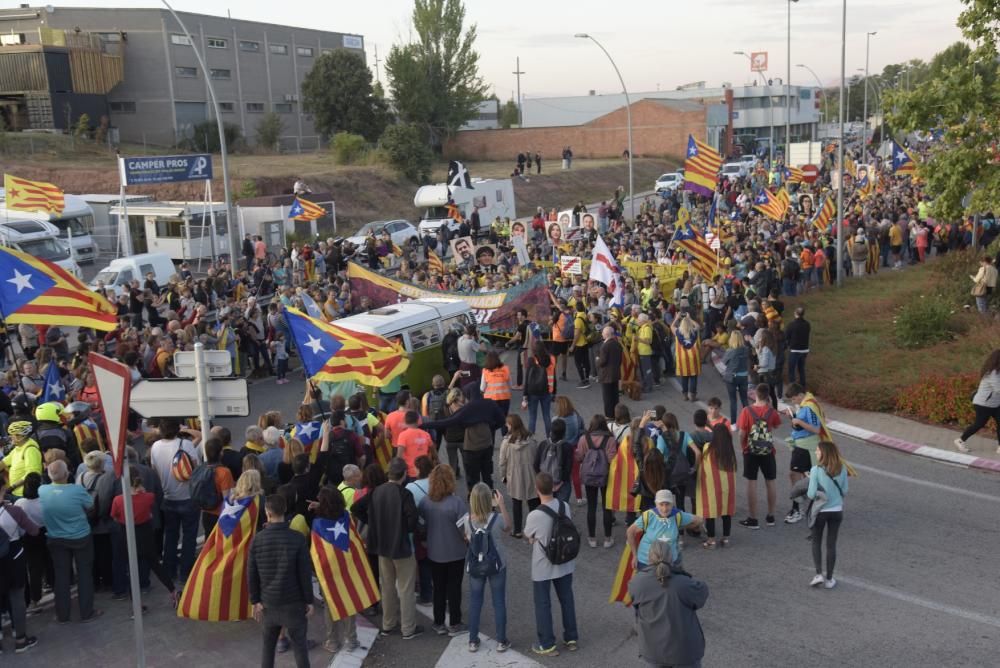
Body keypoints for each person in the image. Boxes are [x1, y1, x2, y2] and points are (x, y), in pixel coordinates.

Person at [248, 494, 314, 668]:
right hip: (294, 604)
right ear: (285, 510)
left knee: (267, 651)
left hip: (269, 604)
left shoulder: (257, 540)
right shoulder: (298, 539)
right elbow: (304, 574)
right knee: (301, 651)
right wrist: (309, 601)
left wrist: (255, 600)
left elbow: (252, 574)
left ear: (267, 513)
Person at [628, 540, 708, 668]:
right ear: (671, 557)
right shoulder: (683, 583)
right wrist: (682, 572)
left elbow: (636, 604)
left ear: (649, 557)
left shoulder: (637, 582)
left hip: (653, 648)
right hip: (684, 650)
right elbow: (701, 594)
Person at [523, 472, 578, 657]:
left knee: (543, 603)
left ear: (537, 489)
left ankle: (547, 644)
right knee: (567, 600)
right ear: (554, 487)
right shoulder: (564, 506)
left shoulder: (534, 515)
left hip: (543, 566)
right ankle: (571, 638)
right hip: (565, 562)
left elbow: (529, 536)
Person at [39, 459, 100, 623]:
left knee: (61, 576)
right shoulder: (77, 490)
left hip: (56, 538)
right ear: (67, 473)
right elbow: (90, 505)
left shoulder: (42, 490)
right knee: (85, 573)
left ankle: (62, 615)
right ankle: (87, 612)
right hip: (80, 537)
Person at [370, 458, 423, 640]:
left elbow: (359, 508)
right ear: (404, 474)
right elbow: (412, 519)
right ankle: (408, 628)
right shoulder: (404, 494)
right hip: (401, 545)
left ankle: (388, 623)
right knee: (406, 588)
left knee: (387, 587)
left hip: (382, 546)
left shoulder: (377, 491)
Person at [110, 467, 178, 608]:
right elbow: (150, 511)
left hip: (126, 535)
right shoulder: (148, 497)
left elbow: (114, 517)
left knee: (128, 569)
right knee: (155, 565)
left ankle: (137, 604)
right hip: (145, 535)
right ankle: (173, 591)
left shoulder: (118, 500)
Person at [149, 417, 202, 582]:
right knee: (189, 535)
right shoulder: (185, 444)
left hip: (167, 497)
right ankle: (185, 572)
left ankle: (168, 570)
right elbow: (196, 466)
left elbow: (155, 471)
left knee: (170, 536)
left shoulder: (155, 447)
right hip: (187, 496)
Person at [419, 464, 469, 637]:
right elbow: (465, 531)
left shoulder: (425, 502)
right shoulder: (457, 504)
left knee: (438, 588)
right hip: (456, 552)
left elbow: (422, 524)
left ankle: (438, 622)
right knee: (454, 588)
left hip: (434, 552)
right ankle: (455, 622)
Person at [463, 483, 512, 653]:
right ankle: (501, 640)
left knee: (476, 601)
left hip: (476, 565)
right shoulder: (496, 519)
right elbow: (508, 527)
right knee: (498, 601)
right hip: (497, 564)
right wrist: (502, 505)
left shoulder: (467, 521)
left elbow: (468, 539)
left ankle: (473, 640)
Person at [0, 471, 40, 653]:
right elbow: (34, 531)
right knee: (17, 598)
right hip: (13, 558)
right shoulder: (14, 511)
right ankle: (20, 639)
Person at [736, 384, 782, 529]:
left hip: (750, 451)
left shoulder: (746, 411)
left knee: (752, 482)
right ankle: (771, 516)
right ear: (768, 395)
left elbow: (742, 433)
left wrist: (742, 446)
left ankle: (753, 518)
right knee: (770, 481)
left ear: (755, 394)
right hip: (768, 451)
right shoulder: (772, 412)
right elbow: (776, 426)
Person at [626, 489, 703, 570]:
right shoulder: (648, 515)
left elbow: (699, 520)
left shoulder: (677, 515)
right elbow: (630, 532)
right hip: (646, 562)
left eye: (667, 504)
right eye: (661, 504)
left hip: (670, 561)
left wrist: (680, 526)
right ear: (656, 504)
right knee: (648, 582)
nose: (665, 508)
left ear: (672, 504)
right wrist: (634, 555)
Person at [807, 441, 849, 589]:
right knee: (831, 545)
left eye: (818, 451)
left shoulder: (816, 470)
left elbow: (811, 494)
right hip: (837, 511)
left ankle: (818, 574)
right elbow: (844, 491)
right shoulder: (842, 469)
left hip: (821, 512)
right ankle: (830, 579)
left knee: (816, 542)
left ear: (824, 453)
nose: (816, 453)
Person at [575, 414, 616, 548]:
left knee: (591, 506)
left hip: (589, 476)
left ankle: (592, 538)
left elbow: (579, 457)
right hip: (605, 476)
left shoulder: (584, 438)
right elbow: (612, 460)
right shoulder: (610, 439)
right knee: (606, 506)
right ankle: (607, 538)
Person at [784, 383, 822, 524]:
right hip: (801, 445)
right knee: (805, 475)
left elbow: (816, 429)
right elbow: (801, 425)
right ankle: (807, 505)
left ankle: (797, 509)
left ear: (800, 395)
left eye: (794, 399)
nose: (794, 402)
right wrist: (793, 417)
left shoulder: (810, 406)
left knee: (795, 475)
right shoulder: (805, 404)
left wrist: (798, 420)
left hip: (805, 446)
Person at [696, 425, 737, 549]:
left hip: (712, 486)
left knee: (710, 512)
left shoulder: (708, 448)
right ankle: (726, 539)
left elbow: (704, 467)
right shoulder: (730, 450)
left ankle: (711, 541)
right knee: (726, 511)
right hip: (727, 486)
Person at [498, 414, 539, 537]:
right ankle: (535, 530)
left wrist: (503, 476)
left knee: (517, 503)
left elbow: (502, 462)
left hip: (514, 475)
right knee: (533, 503)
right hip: (531, 474)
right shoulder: (531, 439)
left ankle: (517, 531)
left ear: (511, 425)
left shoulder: (506, 442)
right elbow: (537, 457)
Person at [955, 350, 1000, 454]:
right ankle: (960, 440)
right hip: (983, 404)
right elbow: (998, 389)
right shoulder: (992, 374)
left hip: (996, 404)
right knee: (979, 424)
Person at [522, 340, 556, 437]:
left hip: (533, 392)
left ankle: (530, 439)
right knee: (547, 416)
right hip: (547, 391)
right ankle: (550, 438)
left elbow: (527, 379)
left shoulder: (531, 360)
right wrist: (554, 392)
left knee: (532, 417)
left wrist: (525, 395)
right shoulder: (551, 359)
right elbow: (553, 376)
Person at [0, 420, 42, 497]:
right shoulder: (18, 448)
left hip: (24, 494)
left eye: (13, 435)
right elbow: (4, 462)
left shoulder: (30, 450)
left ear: (21, 436)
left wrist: (13, 486)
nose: (11, 438)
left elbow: (32, 474)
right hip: (15, 492)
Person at [395, 410, 435, 480]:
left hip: (411, 473)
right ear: (418, 421)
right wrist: (436, 459)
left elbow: (399, 456)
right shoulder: (426, 434)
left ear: (405, 421)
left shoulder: (403, 435)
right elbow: (433, 449)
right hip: (425, 471)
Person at [672, 312, 702, 402]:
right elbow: (698, 326)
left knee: (684, 377)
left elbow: (671, 326)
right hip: (693, 357)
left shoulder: (677, 332)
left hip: (682, 358)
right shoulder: (694, 331)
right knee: (693, 377)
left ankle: (685, 395)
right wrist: (690, 318)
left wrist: (677, 317)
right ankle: (693, 396)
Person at [596, 326, 623, 418]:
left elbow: (602, 361)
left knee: (607, 396)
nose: (602, 334)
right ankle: (617, 413)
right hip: (615, 373)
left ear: (606, 334)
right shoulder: (617, 344)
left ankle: (609, 414)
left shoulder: (605, 346)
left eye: (603, 333)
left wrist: (597, 360)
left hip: (606, 375)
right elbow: (620, 360)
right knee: (615, 395)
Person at [785, 306, 810, 387]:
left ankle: (792, 387)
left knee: (791, 370)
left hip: (794, 350)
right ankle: (803, 385)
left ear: (795, 313)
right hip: (804, 350)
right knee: (801, 369)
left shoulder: (791, 324)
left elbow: (786, 336)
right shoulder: (807, 324)